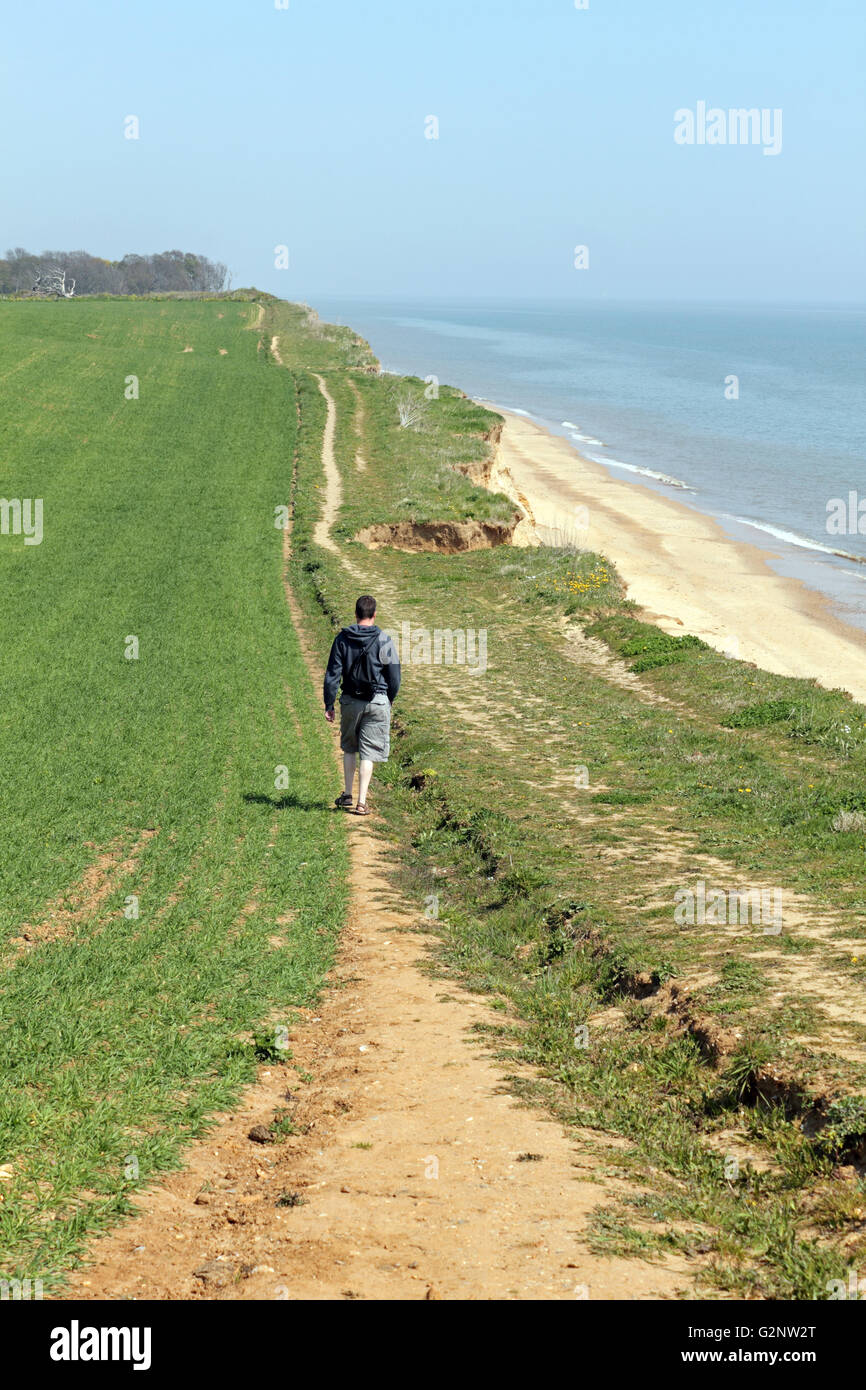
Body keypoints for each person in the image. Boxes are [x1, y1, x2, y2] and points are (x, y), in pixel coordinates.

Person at [323, 595, 401, 815]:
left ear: (355, 613)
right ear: (374, 615)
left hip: (350, 700)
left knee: (349, 747)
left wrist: (329, 703)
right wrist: (389, 699)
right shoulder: (384, 640)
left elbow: (332, 674)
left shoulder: (342, 639)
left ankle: (347, 794)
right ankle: (361, 802)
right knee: (368, 752)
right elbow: (394, 675)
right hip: (377, 700)